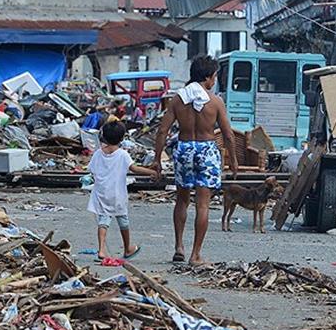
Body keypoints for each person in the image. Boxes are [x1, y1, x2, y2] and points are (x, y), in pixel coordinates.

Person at [153, 55, 237, 265]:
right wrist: (233, 160)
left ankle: (179, 246)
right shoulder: (215, 102)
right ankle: (195, 254)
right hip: (207, 149)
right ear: (208, 77)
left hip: (184, 149)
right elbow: (228, 135)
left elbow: (163, 130)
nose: (215, 81)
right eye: (215, 76)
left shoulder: (177, 100)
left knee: (181, 200)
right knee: (203, 205)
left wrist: (157, 159)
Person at [88, 120, 158, 260]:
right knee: (123, 221)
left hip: (101, 192)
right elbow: (134, 169)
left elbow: (92, 171)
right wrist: (151, 172)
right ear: (121, 138)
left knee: (103, 221)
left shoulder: (97, 154)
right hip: (117, 193)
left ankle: (102, 249)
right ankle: (127, 248)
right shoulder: (122, 154)